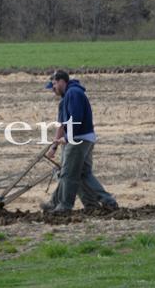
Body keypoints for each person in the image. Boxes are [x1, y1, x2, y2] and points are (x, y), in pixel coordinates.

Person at [41, 71, 118, 212]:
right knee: (83, 174)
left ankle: (64, 206)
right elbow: (61, 124)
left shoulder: (73, 94)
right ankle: (99, 203)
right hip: (84, 138)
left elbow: (75, 119)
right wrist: (54, 146)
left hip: (78, 139)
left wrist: (68, 138)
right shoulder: (66, 98)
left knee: (67, 174)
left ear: (61, 81)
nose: (52, 89)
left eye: (53, 84)